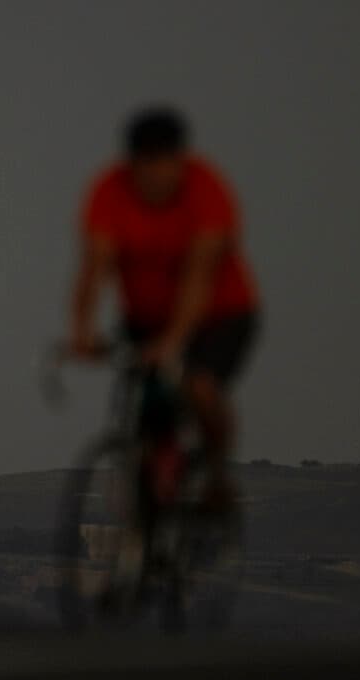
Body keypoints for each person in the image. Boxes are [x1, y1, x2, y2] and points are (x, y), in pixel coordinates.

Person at [69, 106, 259, 509]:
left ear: (180, 160)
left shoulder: (207, 189)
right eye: (145, 163)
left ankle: (216, 475)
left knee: (201, 388)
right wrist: (82, 331)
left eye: (164, 162)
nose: (155, 175)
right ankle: (150, 501)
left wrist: (174, 341)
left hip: (220, 313)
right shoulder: (109, 190)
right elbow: (94, 267)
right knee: (144, 403)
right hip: (145, 317)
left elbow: (200, 277)